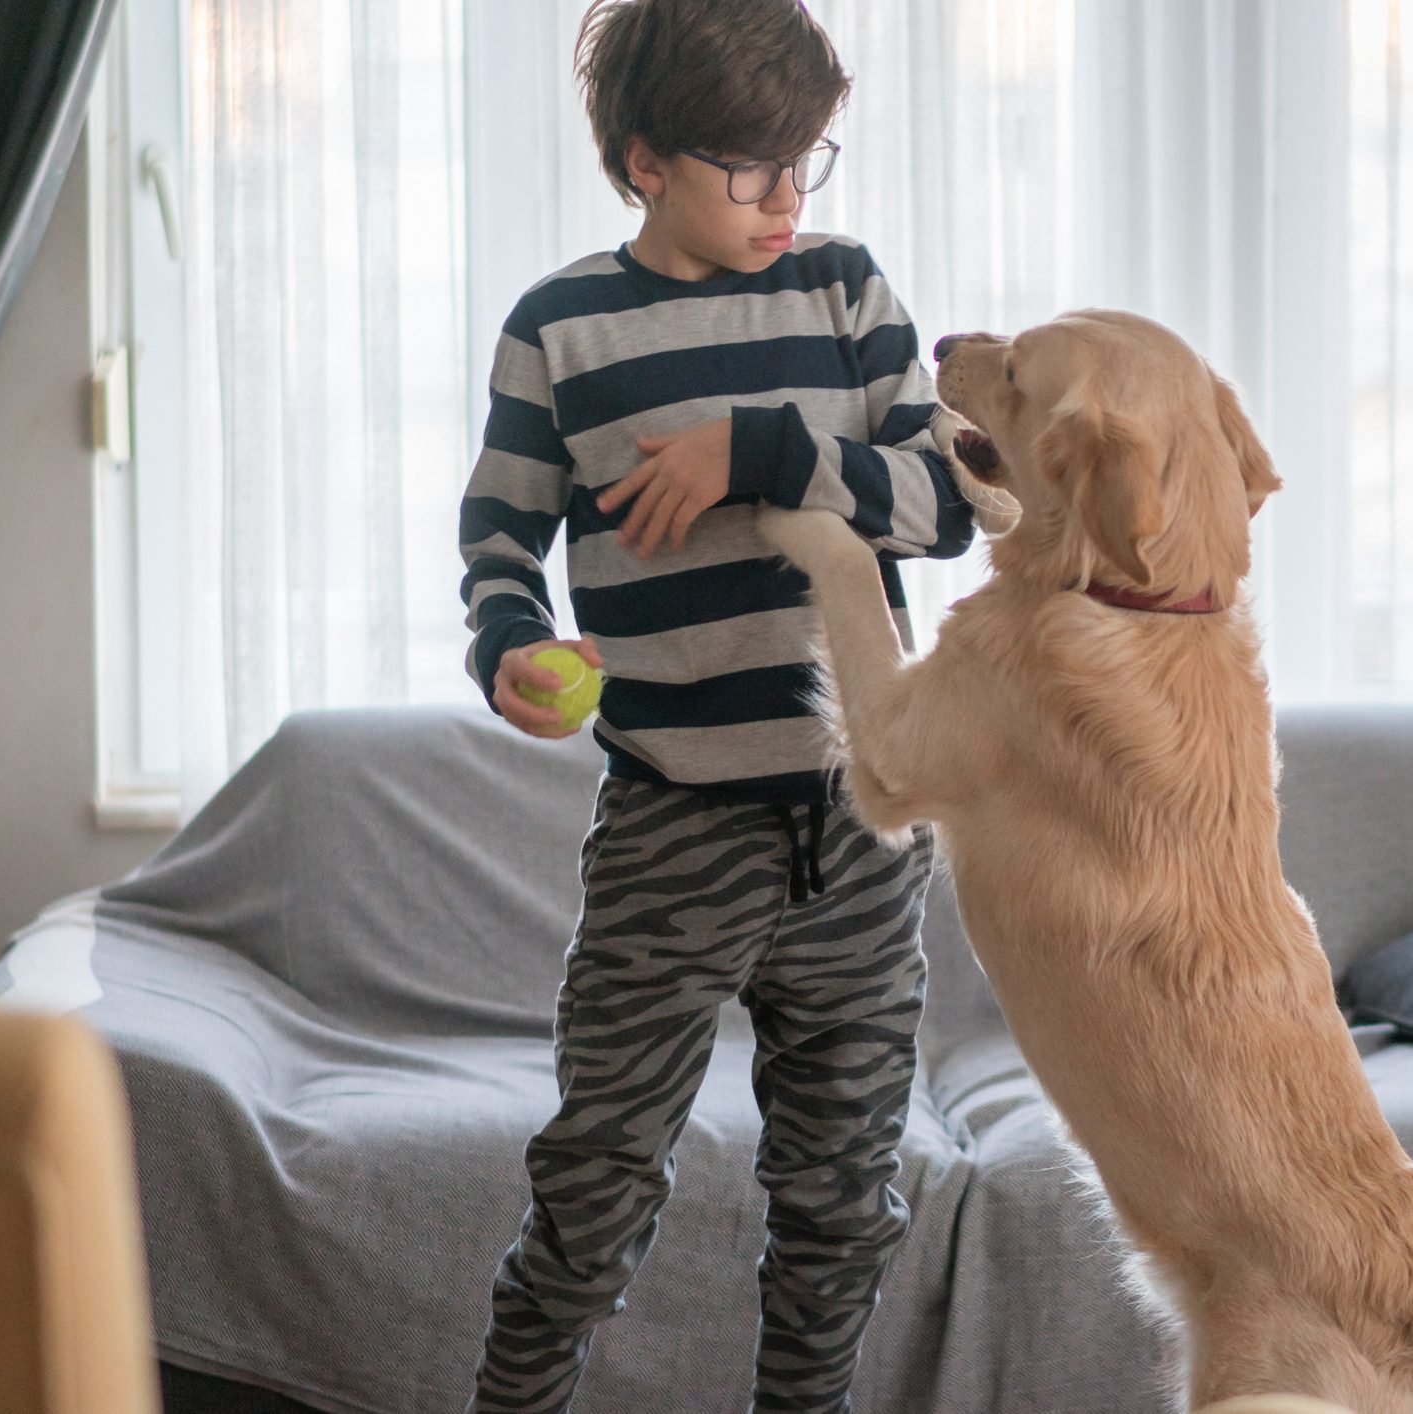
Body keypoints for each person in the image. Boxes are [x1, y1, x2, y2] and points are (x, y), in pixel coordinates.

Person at [454, 1, 977, 1408]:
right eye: (753, 168)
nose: (789, 197)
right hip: (671, 828)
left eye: (809, 158)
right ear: (646, 164)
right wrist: (509, 641)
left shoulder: (849, 293)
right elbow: (501, 538)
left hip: (862, 832)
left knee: (840, 1208)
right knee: (593, 1194)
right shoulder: (558, 329)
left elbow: (945, 511)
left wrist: (758, 448)